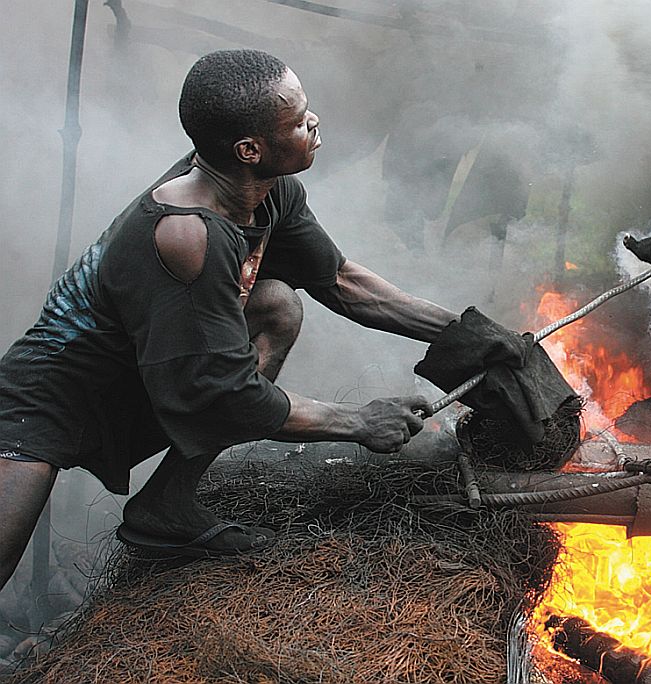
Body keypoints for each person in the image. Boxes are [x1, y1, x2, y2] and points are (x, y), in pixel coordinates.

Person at [0, 49, 521, 590]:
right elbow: (224, 392)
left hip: (147, 368)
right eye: (297, 121)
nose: (314, 122)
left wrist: (470, 334)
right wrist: (359, 422)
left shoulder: (267, 193)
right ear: (249, 149)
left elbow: (344, 283)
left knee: (275, 303)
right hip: (51, 396)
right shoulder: (188, 234)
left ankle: (166, 507)